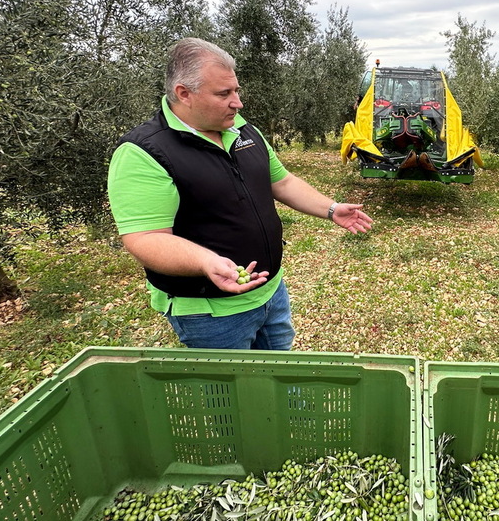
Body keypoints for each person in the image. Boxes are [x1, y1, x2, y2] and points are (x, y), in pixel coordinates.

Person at [107, 37, 373, 350]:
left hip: (271, 292)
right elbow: (145, 238)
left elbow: (281, 181)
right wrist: (207, 261)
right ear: (184, 94)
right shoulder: (145, 152)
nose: (238, 102)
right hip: (210, 313)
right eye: (224, 94)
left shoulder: (243, 130)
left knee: (280, 380)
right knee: (232, 396)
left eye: (236, 91)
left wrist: (331, 208)